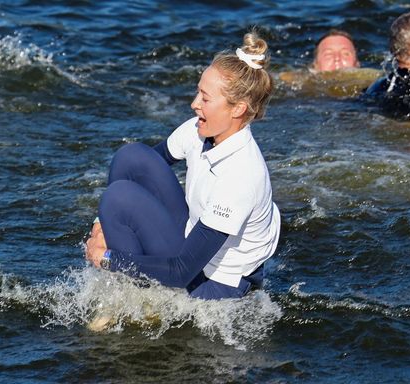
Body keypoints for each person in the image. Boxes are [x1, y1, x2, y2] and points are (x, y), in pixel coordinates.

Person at [85, 31, 281, 300]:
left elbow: (181, 271)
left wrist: (107, 258)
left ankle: (132, 296)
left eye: (205, 98)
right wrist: (100, 228)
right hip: (191, 244)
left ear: (237, 109)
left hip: (215, 283)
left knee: (118, 198)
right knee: (131, 157)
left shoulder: (241, 176)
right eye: (198, 92)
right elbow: (141, 168)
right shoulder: (199, 129)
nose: (194, 104)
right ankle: (129, 283)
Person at [278, 29, 381, 98]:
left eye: (345, 54)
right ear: (315, 65)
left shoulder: (374, 80)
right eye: (328, 54)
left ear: (357, 64)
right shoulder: (297, 82)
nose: (337, 58)